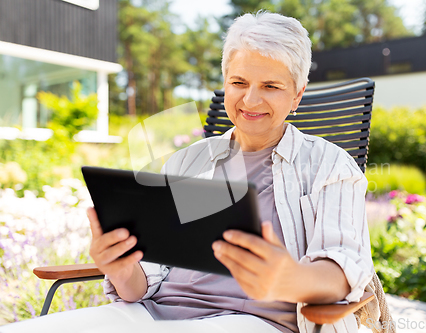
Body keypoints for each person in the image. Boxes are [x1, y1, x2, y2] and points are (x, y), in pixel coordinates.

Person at [0, 12, 373, 333]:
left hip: (253, 321)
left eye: (271, 86)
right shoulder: (187, 162)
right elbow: (145, 279)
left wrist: (287, 278)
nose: (251, 100)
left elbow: (344, 268)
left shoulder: (328, 165)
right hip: (146, 315)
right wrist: (119, 267)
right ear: (224, 83)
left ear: (297, 95)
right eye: (239, 83)